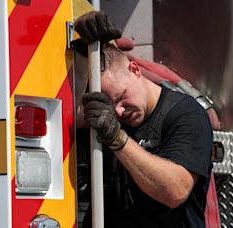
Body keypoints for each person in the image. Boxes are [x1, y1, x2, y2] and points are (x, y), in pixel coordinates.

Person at [73, 11, 213, 227]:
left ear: (135, 69)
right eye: (110, 106)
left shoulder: (186, 114)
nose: (118, 112)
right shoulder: (105, 117)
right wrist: (81, 30)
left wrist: (116, 138)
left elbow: (175, 191)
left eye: (121, 97)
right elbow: (69, 115)